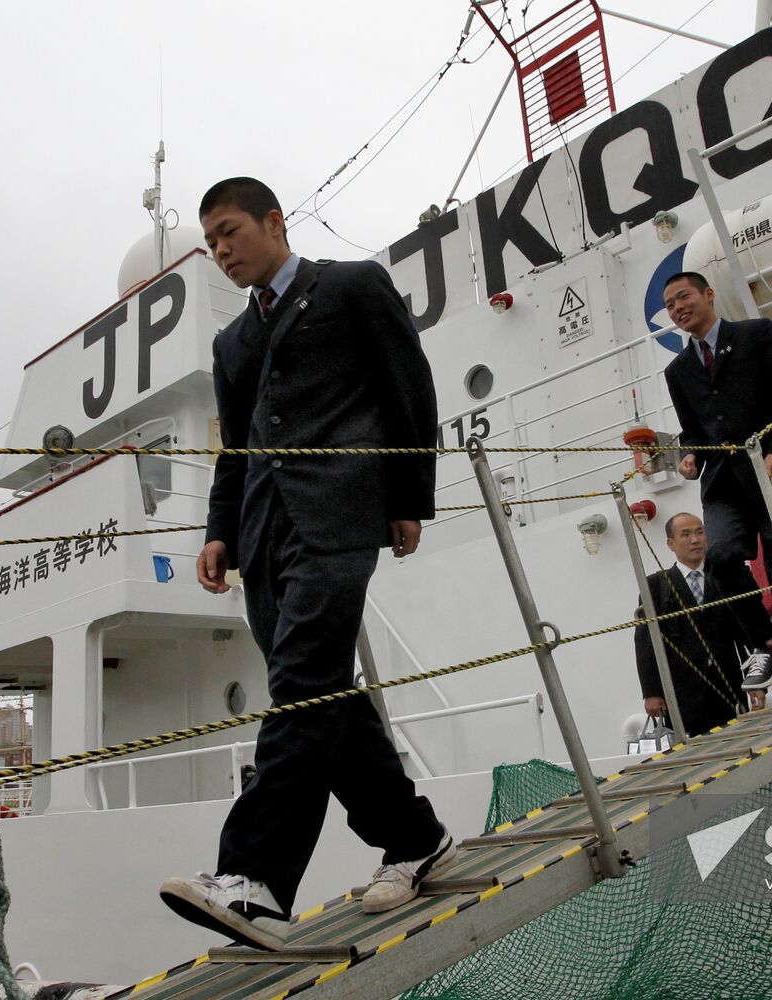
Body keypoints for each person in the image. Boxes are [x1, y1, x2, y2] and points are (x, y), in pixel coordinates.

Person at [159, 178, 453, 951]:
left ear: (273, 222)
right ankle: (417, 839)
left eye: (229, 232)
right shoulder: (231, 343)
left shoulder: (351, 285)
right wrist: (220, 531)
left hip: (340, 514)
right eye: (211, 242)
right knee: (326, 697)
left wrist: (407, 498)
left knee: (300, 686)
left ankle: (253, 880)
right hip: (262, 534)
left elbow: (408, 390)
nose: (221, 251)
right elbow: (236, 450)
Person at [662, 272, 772, 704]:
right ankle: (761, 646)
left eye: (685, 297)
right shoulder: (677, 370)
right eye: (671, 305)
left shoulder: (757, 334)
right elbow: (692, 427)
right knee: (719, 557)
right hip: (723, 483)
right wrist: (690, 453)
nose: (679, 308)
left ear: (708, 294)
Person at [635, 513, 772, 736]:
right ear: (671, 543)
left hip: (727, 688)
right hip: (680, 695)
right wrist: (651, 692)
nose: (695, 540)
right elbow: (645, 642)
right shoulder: (656, 585)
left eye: (700, 532)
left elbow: (744, 633)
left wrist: (757, 683)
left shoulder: (725, 578)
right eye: (686, 534)